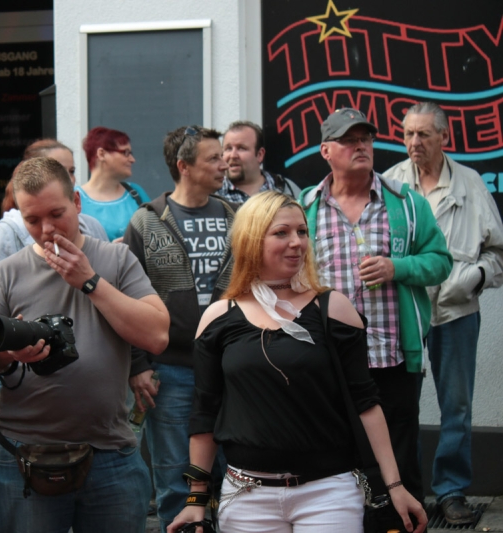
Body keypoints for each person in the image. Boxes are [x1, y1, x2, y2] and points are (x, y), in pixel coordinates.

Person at [169, 191, 427, 533]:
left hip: (328, 494)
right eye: (282, 233)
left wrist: (395, 486)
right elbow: (205, 412)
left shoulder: (332, 308)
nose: (297, 242)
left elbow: (366, 403)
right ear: (251, 240)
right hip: (246, 497)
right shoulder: (218, 318)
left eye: (302, 232)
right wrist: (196, 499)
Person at [0, 156, 170, 532]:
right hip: (26, 453)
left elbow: (156, 335)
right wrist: (6, 354)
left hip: (110, 453)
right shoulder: (6, 273)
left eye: (57, 214)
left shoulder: (115, 259)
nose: (46, 229)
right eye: (32, 219)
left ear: (76, 202)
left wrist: (90, 282)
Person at [299, 108, 452, 504]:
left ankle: (403, 523)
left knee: (400, 456)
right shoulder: (305, 207)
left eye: (365, 138)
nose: (361, 146)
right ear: (326, 151)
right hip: (328, 357)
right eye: (349, 140)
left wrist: (396, 267)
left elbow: (441, 262)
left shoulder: (406, 203)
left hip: (392, 357)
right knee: (336, 452)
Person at [384, 102, 503, 524]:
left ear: (444, 137)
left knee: (457, 405)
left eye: (423, 134)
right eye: (408, 134)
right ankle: (407, 491)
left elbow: (498, 252)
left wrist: (475, 277)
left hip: (457, 313)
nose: (414, 142)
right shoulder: (391, 184)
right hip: (406, 312)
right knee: (402, 404)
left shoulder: (470, 184)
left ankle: (451, 491)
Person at [123, 125, 234, 532]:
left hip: (230, 366)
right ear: (184, 166)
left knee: (234, 468)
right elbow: (128, 302)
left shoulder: (236, 217)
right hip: (169, 370)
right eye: (213, 158)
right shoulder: (146, 222)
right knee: (174, 474)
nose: (224, 164)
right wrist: (138, 364)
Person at [0, 139, 107, 305]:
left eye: (71, 171)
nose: (68, 179)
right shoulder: (6, 234)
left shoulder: (93, 227)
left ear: (77, 201)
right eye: (33, 220)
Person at [78, 126, 149, 241]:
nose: (132, 159)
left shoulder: (136, 193)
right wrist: (109, 250)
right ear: (102, 154)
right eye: (126, 153)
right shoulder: (74, 198)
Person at [218, 121, 301, 203]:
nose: (233, 155)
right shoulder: (213, 193)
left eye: (241, 148)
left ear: (260, 155)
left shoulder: (288, 190)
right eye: (228, 148)